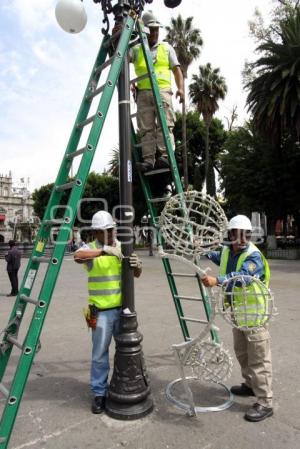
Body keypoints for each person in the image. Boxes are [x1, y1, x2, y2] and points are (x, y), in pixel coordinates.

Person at [202, 215, 273, 422]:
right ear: (231, 235)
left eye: (246, 235)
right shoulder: (227, 251)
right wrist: (201, 248)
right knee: (242, 353)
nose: (242, 239)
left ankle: (265, 402)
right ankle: (250, 385)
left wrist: (216, 281)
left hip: (255, 317)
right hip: (238, 315)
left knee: (259, 359)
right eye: (238, 235)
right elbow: (218, 256)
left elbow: (241, 278)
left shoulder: (253, 256)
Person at [74, 210, 142, 414]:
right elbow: (77, 255)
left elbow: (136, 274)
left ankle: (124, 384)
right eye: (106, 231)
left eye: (112, 229)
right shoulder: (92, 249)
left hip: (122, 311)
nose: (111, 234)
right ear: (96, 232)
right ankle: (99, 393)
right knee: (99, 355)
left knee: (126, 351)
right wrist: (104, 251)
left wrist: (137, 266)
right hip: (100, 312)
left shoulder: (122, 247)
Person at [113, 11, 184, 172]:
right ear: (144, 30)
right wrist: (118, 37)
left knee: (165, 124)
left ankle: (166, 156)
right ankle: (149, 160)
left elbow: (177, 70)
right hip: (143, 93)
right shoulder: (137, 49)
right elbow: (121, 57)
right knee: (146, 128)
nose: (155, 33)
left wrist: (180, 89)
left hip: (163, 90)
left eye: (157, 29)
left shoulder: (166, 48)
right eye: (151, 29)